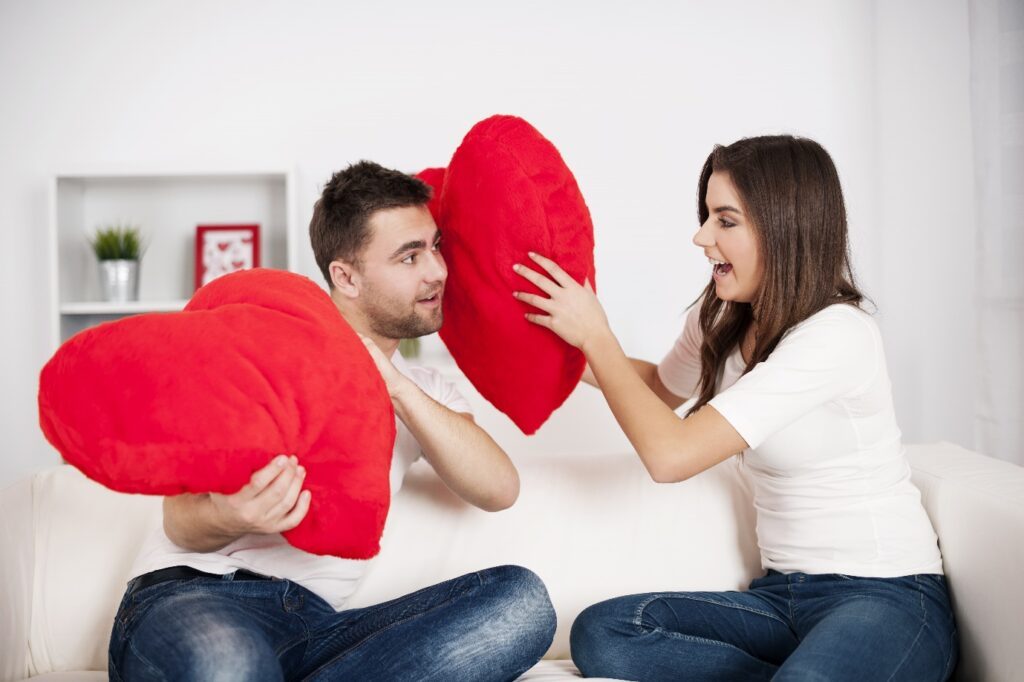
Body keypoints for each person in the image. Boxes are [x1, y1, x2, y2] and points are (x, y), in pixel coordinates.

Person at [513, 135, 958, 681]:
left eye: (725, 220)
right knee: (605, 632)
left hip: (885, 596)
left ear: (784, 229)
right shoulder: (721, 316)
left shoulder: (838, 335)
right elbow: (655, 389)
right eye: (706, 216)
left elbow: (671, 456)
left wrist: (596, 334)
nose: (701, 237)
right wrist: (557, 341)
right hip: (783, 597)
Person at [108, 161, 556, 681]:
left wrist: (391, 384)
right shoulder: (269, 349)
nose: (437, 271)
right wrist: (232, 516)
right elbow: (178, 519)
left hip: (318, 628)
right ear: (346, 276)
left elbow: (499, 488)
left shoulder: (425, 391)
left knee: (521, 603)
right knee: (233, 664)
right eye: (409, 256)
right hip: (197, 595)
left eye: (435, 248)